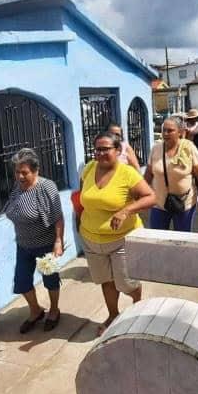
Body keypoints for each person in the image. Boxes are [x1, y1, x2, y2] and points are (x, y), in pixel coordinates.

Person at [80, 132, 156, 336]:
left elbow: (151, 197)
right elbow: (84, 197)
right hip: (90, 239)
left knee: (126, 283)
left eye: (106, 149)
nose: (101, 153)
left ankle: (138, 306)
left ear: (118, 150)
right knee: (106, 280)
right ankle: (113, 315)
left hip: (121, 239)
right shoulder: (89, 168)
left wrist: (125, 211)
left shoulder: (127, 173)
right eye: (97, 149)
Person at [4, 148, 64, 333]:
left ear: (35, 171)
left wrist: (58, 241)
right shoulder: (17, 188)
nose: (20, 176)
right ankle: (36, 311)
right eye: (17, 172)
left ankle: (54, 310)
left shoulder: (46, 187)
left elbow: (57, 217)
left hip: (45, 244)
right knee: (22, 281)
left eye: (24, 173)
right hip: (23, 245)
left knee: (50, 280)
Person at [144, 115, 198, 231]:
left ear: (180, 132)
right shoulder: (156, 149)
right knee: (157, 238)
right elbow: (149, 173)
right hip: (158, 203)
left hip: (185, 203)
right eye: (164, 130)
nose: (165, 133)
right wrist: (142, 194)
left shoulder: (189, 148)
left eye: (170, 131)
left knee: (182, 240)